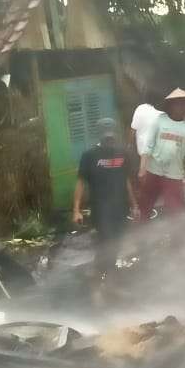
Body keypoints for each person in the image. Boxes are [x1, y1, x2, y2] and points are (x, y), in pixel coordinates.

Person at [73, 118, 138, 275]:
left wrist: (134, 205)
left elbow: (127, 181)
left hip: (121, 208)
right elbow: (81, 183)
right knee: (106, 241)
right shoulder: (89, 156)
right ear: (99, 136)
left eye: (111, 137)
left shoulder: (124, 153)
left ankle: (107, 271)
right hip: (100, 208)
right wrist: (76, 210)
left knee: (117, 241)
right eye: (106, 137)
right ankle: (102, 273)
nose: (109, 140)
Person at [138, 88, 185, 220]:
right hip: (153, 171)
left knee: (176, 211)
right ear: (170, 105)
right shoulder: (159, 120)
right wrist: (142, 169)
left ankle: (176, 239)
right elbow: (148, 146)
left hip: (174, 175)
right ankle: (140, 236)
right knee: (145, 206)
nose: (182, 107)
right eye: (178, 103)